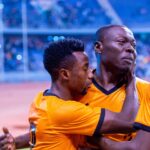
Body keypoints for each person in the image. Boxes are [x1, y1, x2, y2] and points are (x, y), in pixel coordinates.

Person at [0, 25, 140, 149]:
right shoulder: (64, 111)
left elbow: (38, 131)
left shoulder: (41, 100)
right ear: (65, 74)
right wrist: (131, 78)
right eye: (85, 68)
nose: (91, 74)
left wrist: (16, 142)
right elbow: (127, 121)